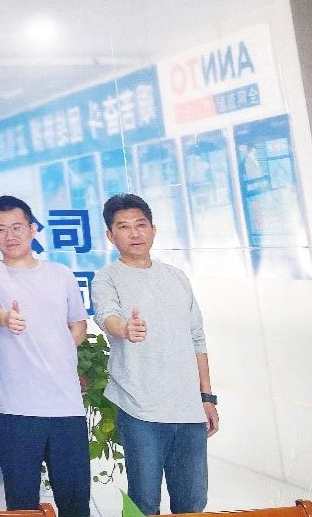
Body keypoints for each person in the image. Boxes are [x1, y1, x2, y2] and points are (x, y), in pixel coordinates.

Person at [92, 193, 219, 515]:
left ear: (153, 229)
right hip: (140, 409)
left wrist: (207, 398)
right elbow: (106, 316)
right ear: (110, 235)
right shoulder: (107, 277)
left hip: (188, 409)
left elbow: (197, 338)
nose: (134, 233)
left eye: (140, 225)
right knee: (144, 502)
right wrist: (124, 328)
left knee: (193, 503)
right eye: (123, 227)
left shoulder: (176, 277)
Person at [0, 195, 90, 517]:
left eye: (17, 227)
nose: (10, 235)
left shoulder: (62, 274)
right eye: (1, 229)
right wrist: (5, 318)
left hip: (66, 407)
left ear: (33, 229)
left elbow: (78, 325)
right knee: (22, 506)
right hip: (16, 410)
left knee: (76, 504)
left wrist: (58, 353)